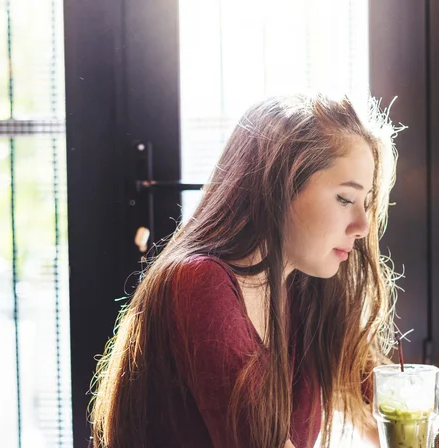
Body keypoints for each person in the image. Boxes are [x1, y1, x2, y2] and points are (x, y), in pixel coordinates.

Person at [89, 93, 399, 447]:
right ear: (280, 187)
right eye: (345, 199)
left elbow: (391, 412)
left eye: (368, 203)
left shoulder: (310, 291)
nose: (362, 225)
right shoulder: (199, 284)